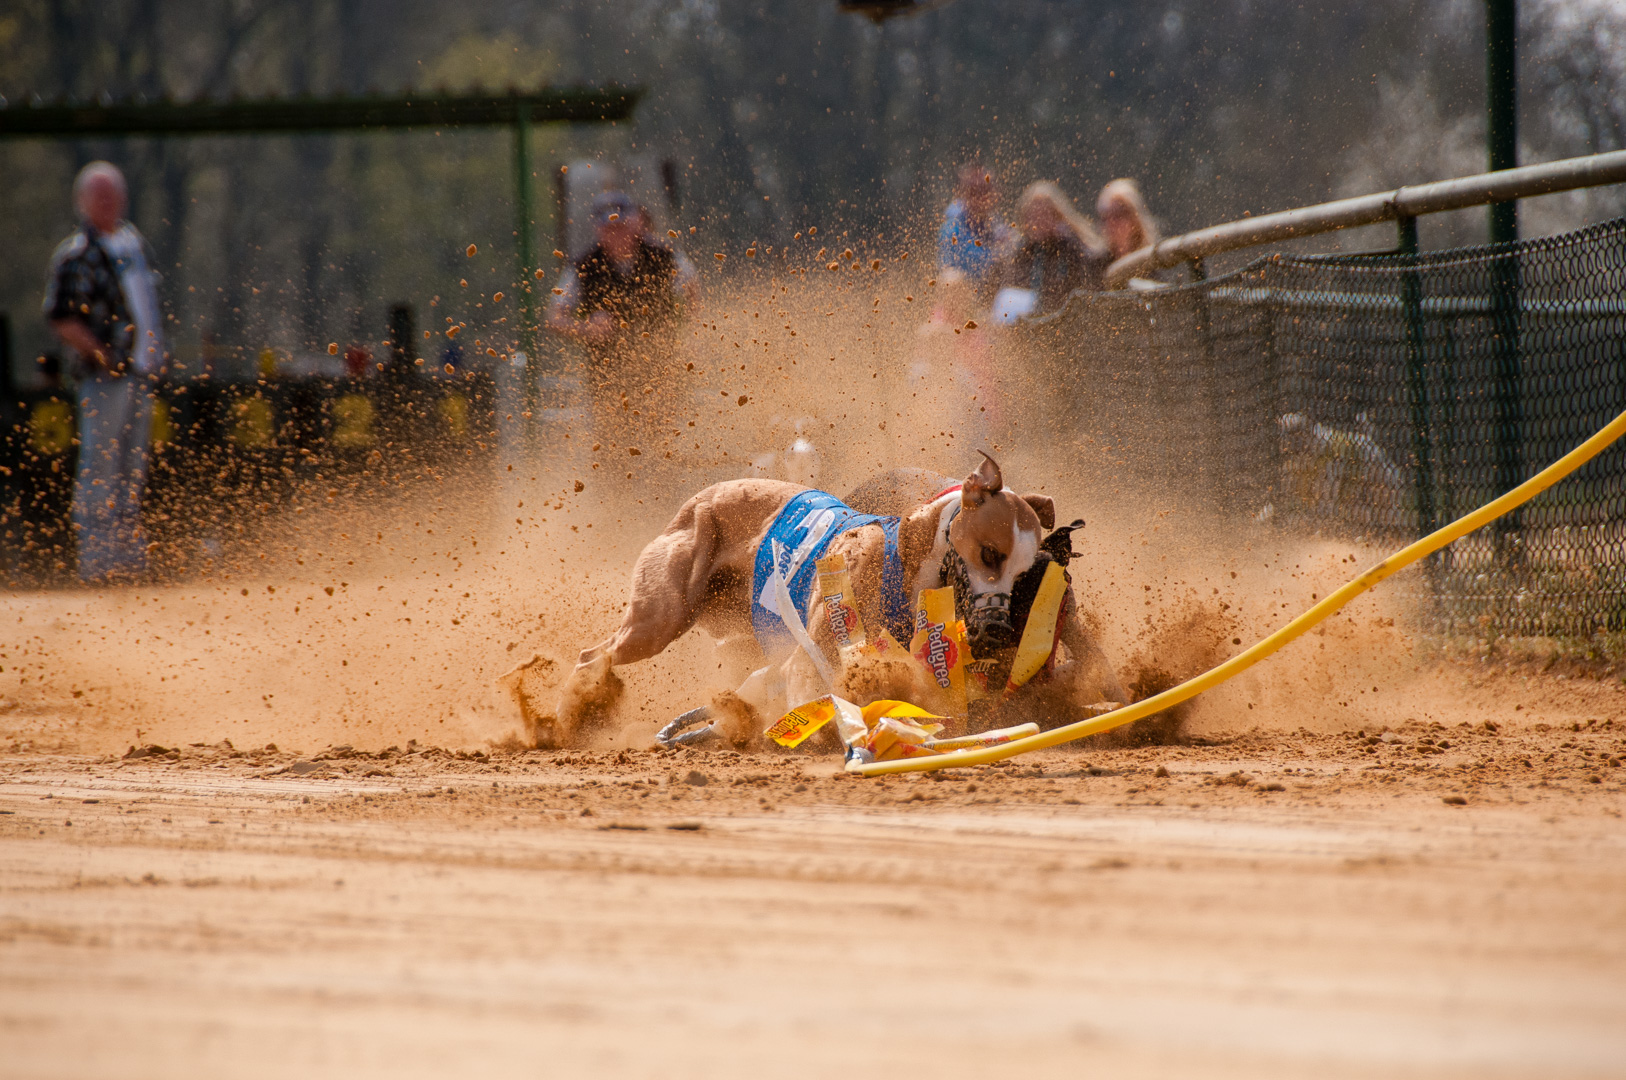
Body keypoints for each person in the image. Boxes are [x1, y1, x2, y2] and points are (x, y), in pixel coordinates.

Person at [43, 161, 165, 583]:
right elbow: (61, 317)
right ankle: (98, 563)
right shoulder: (77, 254)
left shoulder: (133, 244)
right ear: (82, 202)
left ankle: (127, 560)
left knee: (131, 469)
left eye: (113, 194)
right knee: (101, 466)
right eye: (99, 196)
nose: (109, 202)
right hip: (104, 378)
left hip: (140, 372)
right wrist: (101, 355)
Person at [546, 190, 698, 444]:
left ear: (637, 222)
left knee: (662, 447)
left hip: (660, 373)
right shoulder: (583, 266)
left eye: (622, 226)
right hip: (608, 380)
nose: (616, 234)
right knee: (612, 451)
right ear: (598, 229)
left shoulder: (664, 255)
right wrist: (586, 328)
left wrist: (692, 335)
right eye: (609, 228)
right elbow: (554, 317)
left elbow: (694, 290)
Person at [1006, 181, 1111, 311]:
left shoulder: (1071, 247)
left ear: (1057, 215)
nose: (1037, 221)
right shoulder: (1020, 253)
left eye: (1044, 215)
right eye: (1032, 216)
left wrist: (1067, 240)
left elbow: (1091, 271)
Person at [937, 164, 1015, 304]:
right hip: (964, 302)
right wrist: (996, 256)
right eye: (974, 191)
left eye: (986, 190)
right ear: (962, 194)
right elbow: (950, 272)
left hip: (996, 301)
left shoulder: (999, 226)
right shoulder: (952, 229)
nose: (981, 197)